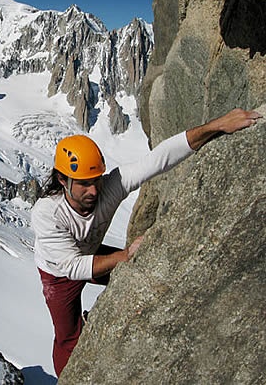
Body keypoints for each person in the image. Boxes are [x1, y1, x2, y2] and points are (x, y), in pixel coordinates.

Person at [31, 108, 262, 377]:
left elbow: (159, 159)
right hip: (58, 274)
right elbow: (73, 267)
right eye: (83, 184)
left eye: (96, 181)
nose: (93, 191)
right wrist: (124, 255)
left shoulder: (110, 186)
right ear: (62, 179)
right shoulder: (47, 213)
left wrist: (218, 125)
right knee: (68, 337)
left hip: (89, 254)